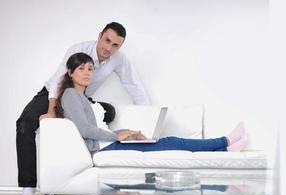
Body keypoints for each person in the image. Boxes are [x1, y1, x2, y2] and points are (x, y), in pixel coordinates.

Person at [17, 22, 150, 195]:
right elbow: (58, 81)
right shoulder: (79, 49)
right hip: (54, 94)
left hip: (81, 97)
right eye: (106, 41)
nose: (108, 48)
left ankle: (91, 149)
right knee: (24, 124)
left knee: (109, 111)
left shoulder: (119, 59)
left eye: (115, 45)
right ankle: (28, 188)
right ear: (100, 35)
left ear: (121, 46)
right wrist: (51, 111)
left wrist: (149, 114)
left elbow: (134, 86)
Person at [56, 52, 248, 156]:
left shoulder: (84, 97)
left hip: (110, 143)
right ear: (71, 72)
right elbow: (85, 129)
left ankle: (225, 151)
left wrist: (128, 132)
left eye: (90, 68)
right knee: (172, 142)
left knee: (167, 142)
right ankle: (226, 141)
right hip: (105, 148)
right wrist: (117, 135)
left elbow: (98, 126)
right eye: (81, 69)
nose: (87, 72)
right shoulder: (71, 95)